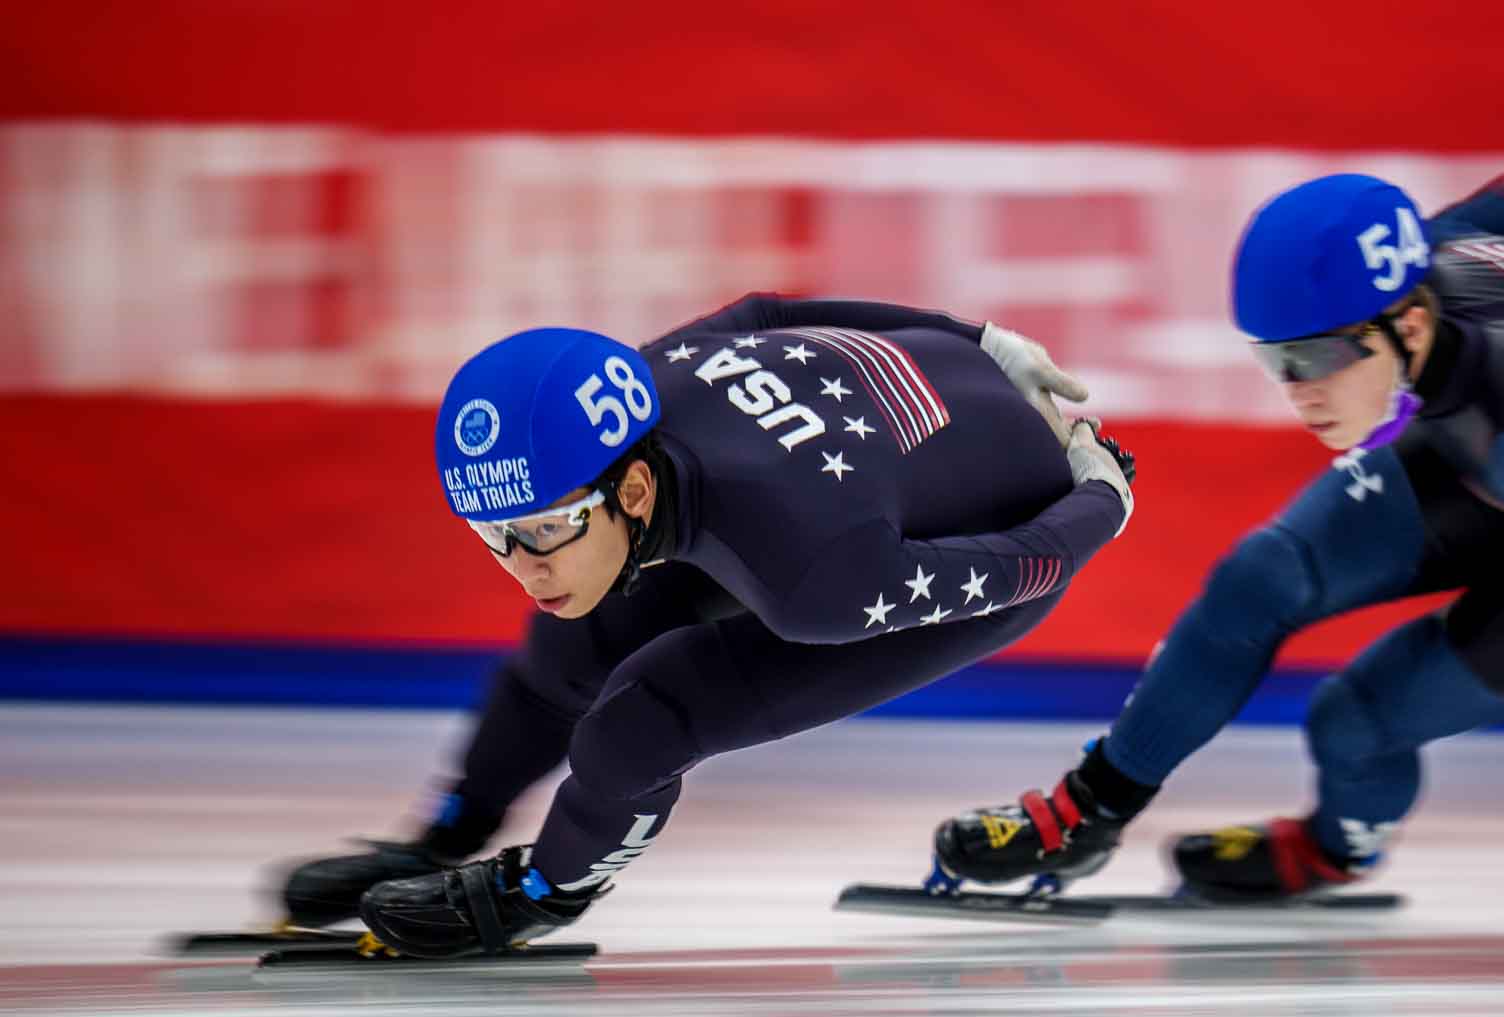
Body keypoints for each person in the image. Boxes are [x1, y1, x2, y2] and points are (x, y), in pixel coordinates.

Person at [936, 133, 1504, 959]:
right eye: (1275, 360)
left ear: (1407, 323)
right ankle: (1086, 814)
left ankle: (1331, 850)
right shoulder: (1428, 258)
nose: (1299, 391)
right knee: (1260, 577)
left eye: (1318, 356)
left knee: (1357, 721)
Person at [278, 295, 1131, 957]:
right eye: (494, 536)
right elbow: (763, 312)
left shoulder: (818, 575)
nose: (523, 564)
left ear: (636, 493)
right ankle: (451, 832)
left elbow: (1026, 565)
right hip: (908, 414)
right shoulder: (645, 382)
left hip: (985, 535)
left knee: (647, 715)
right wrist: (976, 335)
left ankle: (542, 892)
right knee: (568, 648)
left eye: (541, 531)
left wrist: (1100, 493)